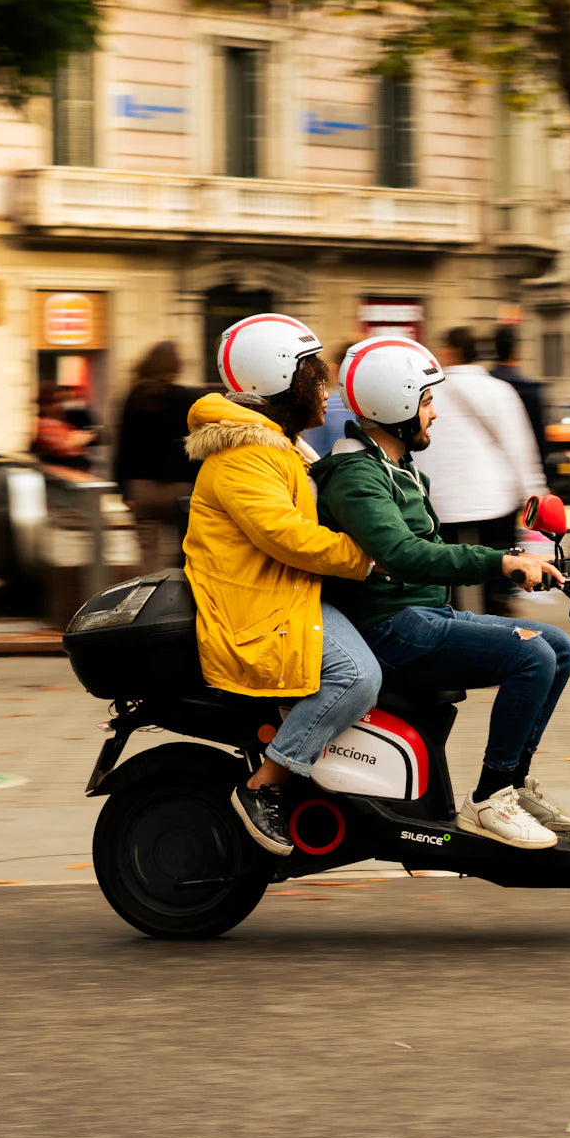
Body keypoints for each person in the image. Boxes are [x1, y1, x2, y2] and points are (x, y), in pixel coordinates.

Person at [312, 336, 570, 850]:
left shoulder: (396, 465)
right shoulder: (354, 475)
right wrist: (500, 561)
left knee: (559, 647)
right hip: (388, 628)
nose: (434, 414)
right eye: (427, 401)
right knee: (532, 658)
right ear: (397, 405)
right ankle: (489, 799)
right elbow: (403, 553)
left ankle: (514, 786)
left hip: (422, 614)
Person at [183, 313, 381, 856]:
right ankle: (263, 786)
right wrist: (367, 559)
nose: (327, 391)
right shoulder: (246, 453)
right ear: (280, 379)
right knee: (356, 676)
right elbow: (286, 536)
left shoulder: (279, 442)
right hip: (260, 605)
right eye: (315, 378)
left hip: (286, 589)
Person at [417, 325, 548, 614]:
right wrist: (535, 494)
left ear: (452, 351)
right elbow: (519, 445)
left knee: (450, 579)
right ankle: (500, 630)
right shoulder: (499, 390)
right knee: (498, 576)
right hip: (493, 500)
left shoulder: (427, 393)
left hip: (443, 503)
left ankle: (458, 629)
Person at [114, 341, 202, 571]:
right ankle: (182, 598)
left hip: (142, 490)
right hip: (181, 489)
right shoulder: (186, 398)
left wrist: (123, 489)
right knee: (186, 551)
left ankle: (150, 600)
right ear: (176, 366)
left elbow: (124, 447)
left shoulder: (134, 398)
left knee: (148, 558)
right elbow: (198, 445)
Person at [489, 323, 545, 461]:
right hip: (521, 460)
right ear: (517, 352)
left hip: (491, 463)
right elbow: (539, 439)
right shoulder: (529, 389)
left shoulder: (485, 383)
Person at [301, 343, 351, 458]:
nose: (325, 395)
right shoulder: (372, 407)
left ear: (336, 367)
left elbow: (313, 447)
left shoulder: (324, 404)